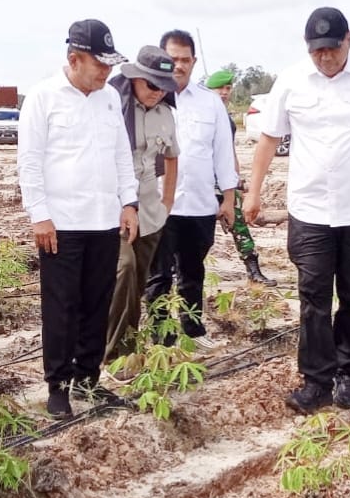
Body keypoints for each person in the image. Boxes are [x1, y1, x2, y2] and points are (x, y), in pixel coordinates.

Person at [248, 7, 350, 413]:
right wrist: (253, 193)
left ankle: (346, 373)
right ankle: (316, 379)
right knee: (314, 298)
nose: (324, 58)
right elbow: (268, 140)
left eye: (331, 49)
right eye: (316, 51)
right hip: (310, 211)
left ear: (349, 39)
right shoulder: (291, 80)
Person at [17, 19, 139, 418]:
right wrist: (40, 216)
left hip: (104, 219)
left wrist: (129, 203)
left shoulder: (106, 99)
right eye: (99, 64)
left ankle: (89, 377)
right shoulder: (43, 97)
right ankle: (58, 385)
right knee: (61, 306)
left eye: (110, 65)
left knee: (96, 303)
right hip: (62, 224)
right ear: (74, 58)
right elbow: (30, 162)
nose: (107, 72)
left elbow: (122, 154)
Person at [145, 29, 237, 342]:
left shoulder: (211, 104)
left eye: (185, 59)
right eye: (173, 59)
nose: (179, 65)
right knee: (158, 275)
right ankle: (161, 335)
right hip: (158, 204)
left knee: (193, 270)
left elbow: (223, 155)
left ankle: (193, 330)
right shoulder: (149, 98)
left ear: (194, 61)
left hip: (198, 204)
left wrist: (228, 199)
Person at [105, 46, 180, 360]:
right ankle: (111, 355)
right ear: (135, 78)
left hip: (150, 211)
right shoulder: (114, 107)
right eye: (151, 85)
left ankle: (128, 350)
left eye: (164, 86)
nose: (158, 92)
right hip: (117, 207)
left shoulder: (165, 115)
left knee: (136, 286)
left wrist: (167, 201)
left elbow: (172, 157)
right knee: (124, 270)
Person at [204, 67, 276, 286]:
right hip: (202, 182)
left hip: (224, 181)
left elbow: (229, 150)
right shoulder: (201, 114)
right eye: (219, 88)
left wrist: (235, 178)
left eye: (227, 88)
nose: (224, 92)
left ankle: (253, 269)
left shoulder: (227, 118)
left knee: (239, 226)